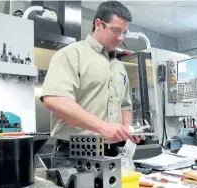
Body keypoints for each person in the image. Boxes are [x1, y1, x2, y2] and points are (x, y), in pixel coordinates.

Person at [40, 1, 144, 168]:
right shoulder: (71, 54)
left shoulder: (119, 67)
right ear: (98, 24)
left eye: (124, 32)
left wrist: (126, 130)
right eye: (116, 31)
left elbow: (125, 105)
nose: (120, 38)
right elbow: (55, 100)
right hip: (74, 155)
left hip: (112, 154)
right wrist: (103, 127)